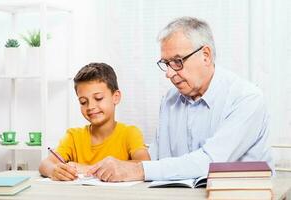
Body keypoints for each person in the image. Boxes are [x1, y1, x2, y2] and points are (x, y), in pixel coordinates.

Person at [86, 17, 274, 182]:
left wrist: (137, 169)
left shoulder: (247, 99)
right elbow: (158, 157)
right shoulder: (170, 100)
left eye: (177, 62)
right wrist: (95, 169)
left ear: (206, 55)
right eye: (166, 64)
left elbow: (211, 162)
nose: (169, 73)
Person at [39, 63, 150, 181]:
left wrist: (87, 169)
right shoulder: (73, 137)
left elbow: (145, 164)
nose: (90, 106)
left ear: (116, 97)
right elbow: (45, 164)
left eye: (98, 98)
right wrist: (54, 170)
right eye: (83, 102)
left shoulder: (130, 133)